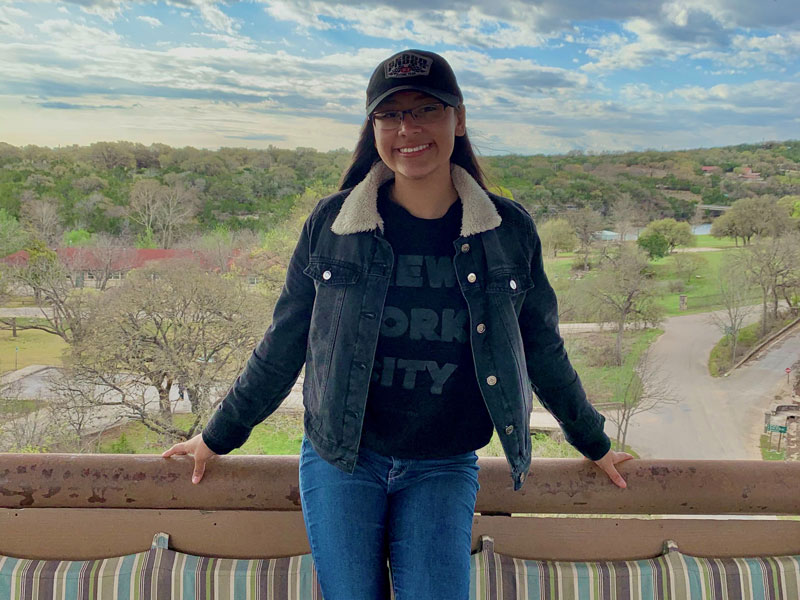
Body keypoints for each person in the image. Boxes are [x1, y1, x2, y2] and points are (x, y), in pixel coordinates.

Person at [163, 48, 633, 599]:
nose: (408, 128)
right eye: (391, 114)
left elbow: (543, 349)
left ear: (458, 119)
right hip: (343, 457)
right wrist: (218, 436)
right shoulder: (333, 224)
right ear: (374, 127)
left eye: (426, 109)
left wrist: (593, 442)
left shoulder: (507, 230)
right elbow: (286, 342)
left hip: (443, 462)